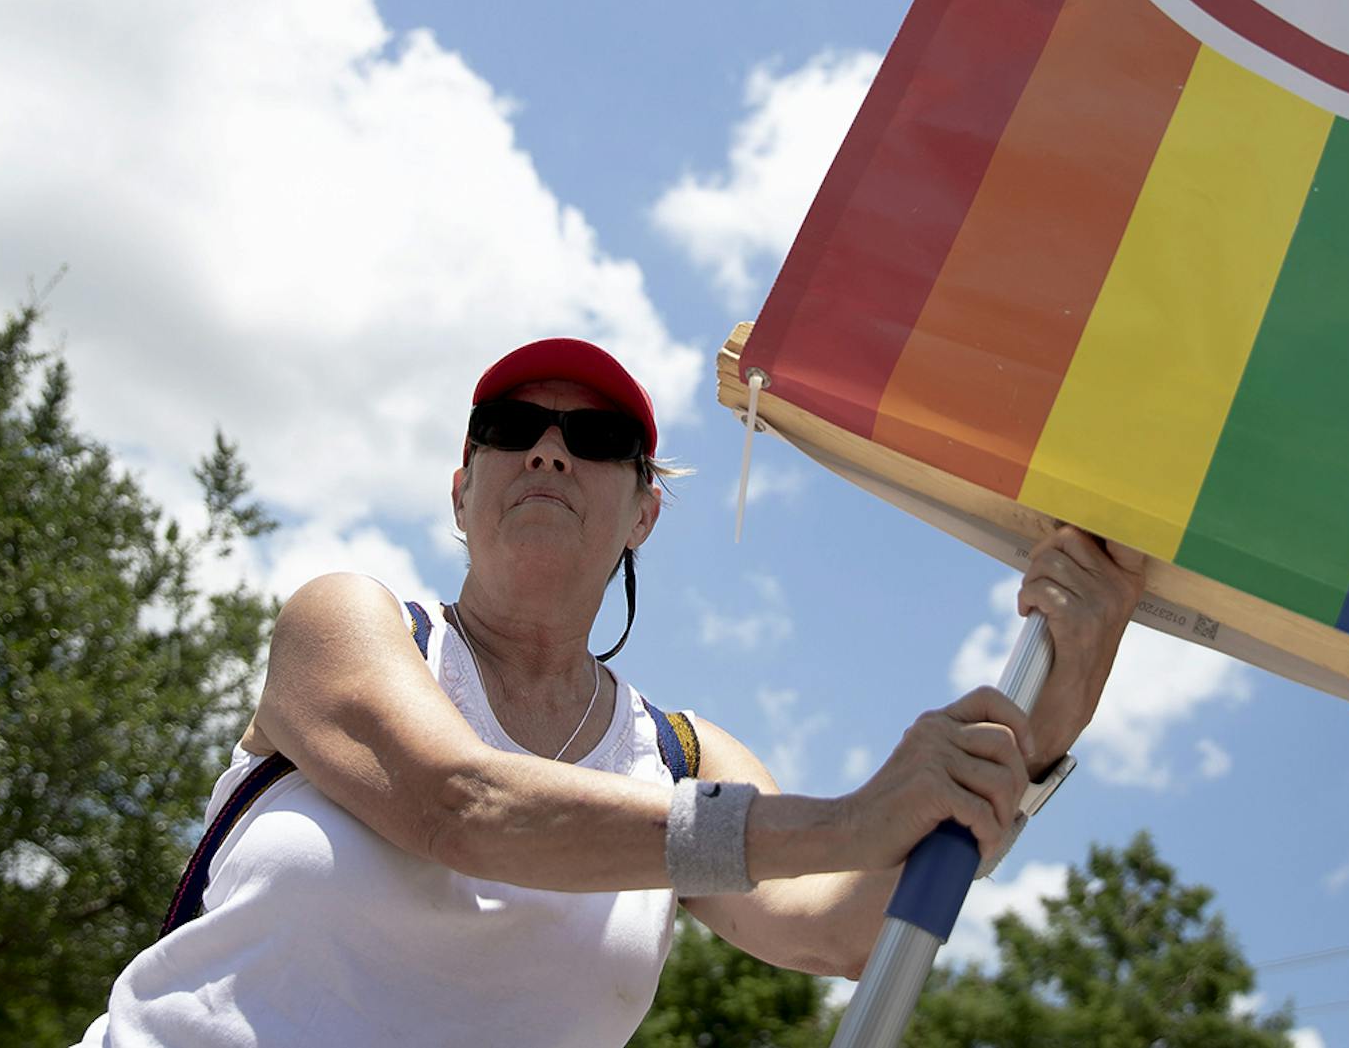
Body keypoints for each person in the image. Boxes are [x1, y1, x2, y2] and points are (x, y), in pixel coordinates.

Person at [78, 337, 1147, 1046]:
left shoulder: (681, 757)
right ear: (463, 488)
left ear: (643, 512)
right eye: (512, 426)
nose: (550, 449)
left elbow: (844, 931)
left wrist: (1045, 720)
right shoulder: (349, 624)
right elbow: (465, 804)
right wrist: (853, 817)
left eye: (595, 440)